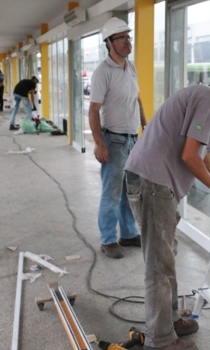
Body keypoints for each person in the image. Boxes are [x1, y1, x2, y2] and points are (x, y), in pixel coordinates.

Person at [124, 64, 210, 350]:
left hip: (156, 184)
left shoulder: (206, 102)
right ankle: (160, 340)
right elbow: (190, 157)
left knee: (166, 256)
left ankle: (170, 320)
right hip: (153, 183)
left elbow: (207, 158)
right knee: (159, 265)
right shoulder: (206, 98)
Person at [89, 17, 146, 260]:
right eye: (121, 38)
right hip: (114, 141)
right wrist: (100, 143)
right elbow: (93, 110)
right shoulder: (103, 72)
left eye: (128, 37)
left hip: (133, 140)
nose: (127, 42)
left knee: (129, 193)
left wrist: (147, 126)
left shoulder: (130, 67)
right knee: (111, 194)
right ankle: (108, 240)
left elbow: (137, 99)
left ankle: (129, 234)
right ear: (109, 43)